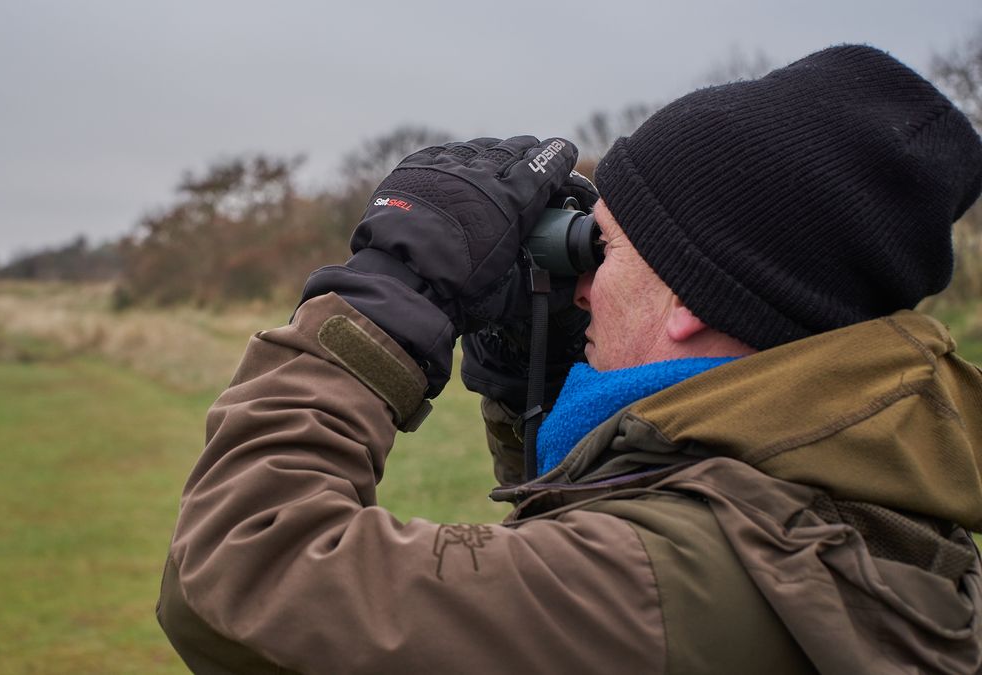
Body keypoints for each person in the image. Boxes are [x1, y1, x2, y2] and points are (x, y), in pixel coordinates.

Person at [157, 44, 982, 673]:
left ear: (693, 299)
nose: (581, 283)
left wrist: (388, 296)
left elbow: (243, 573)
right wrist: (538, 383)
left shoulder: (667, 583)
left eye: (607, 248)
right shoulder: (863, 496)